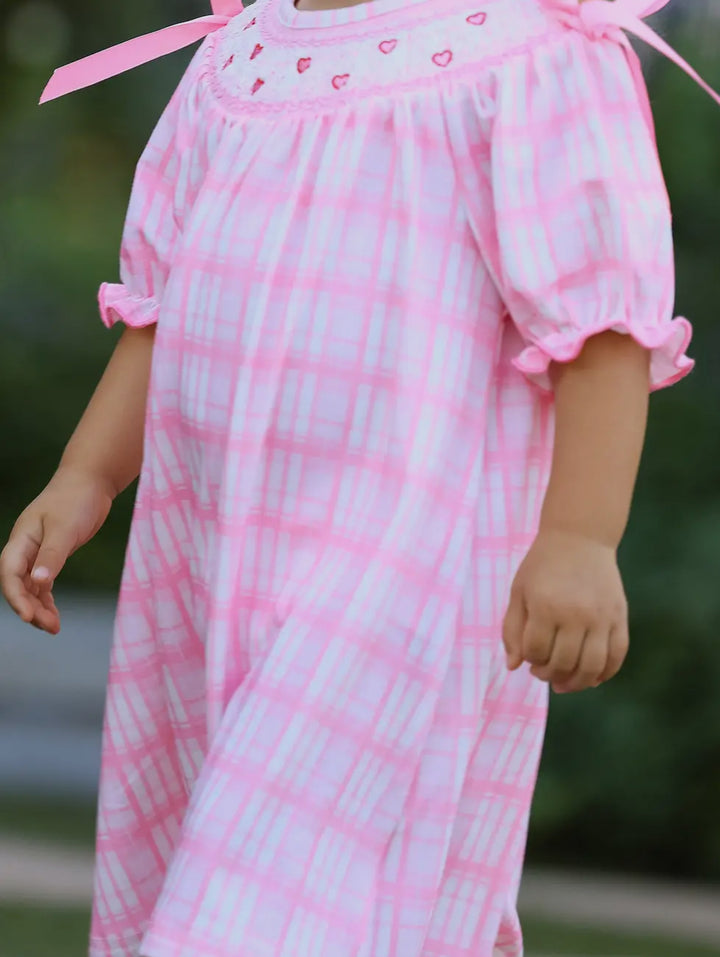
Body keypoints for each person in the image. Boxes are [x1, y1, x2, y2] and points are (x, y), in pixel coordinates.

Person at [1, 0, 718, 955]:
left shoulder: (526, 53)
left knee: (264, 883)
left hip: (399, 564)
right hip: (211, 557)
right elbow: (162, 310)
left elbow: (602, 326)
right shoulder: (237, 61)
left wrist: (579, 537)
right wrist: (83, 477)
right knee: (241, 855)